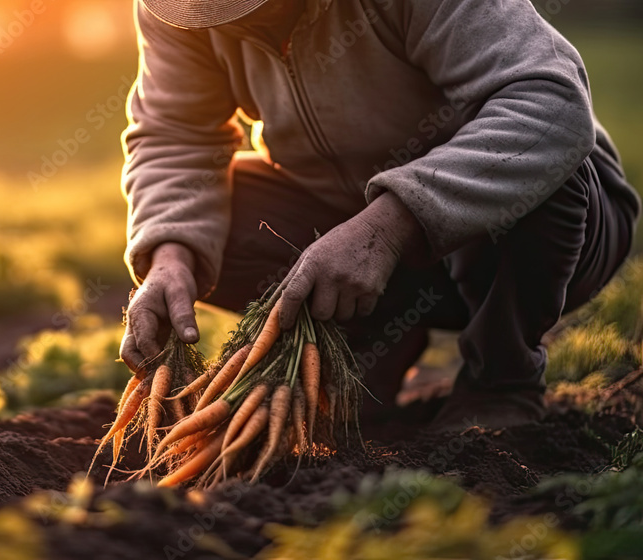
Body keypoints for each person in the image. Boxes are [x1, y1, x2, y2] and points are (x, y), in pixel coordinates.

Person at [117, 0, 640, 432]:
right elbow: (174, 135)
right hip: (357, 236)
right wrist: (170, 253)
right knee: (209, 220)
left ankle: (501, 379)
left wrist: (389, 225)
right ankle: (372, 354)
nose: (227, 24)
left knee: (530, 161)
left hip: (541, 235)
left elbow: (549, 103)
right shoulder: (179, 13)